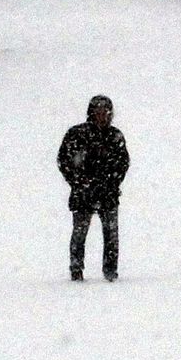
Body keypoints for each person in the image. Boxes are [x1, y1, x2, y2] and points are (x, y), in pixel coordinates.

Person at [56, 94, 130, 282]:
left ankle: (110, 271)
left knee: (111, 234)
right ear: (91, 113)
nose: (102, 115)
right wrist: (78, 182)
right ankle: (76, 269)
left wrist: (111, 183)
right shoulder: (77, 134)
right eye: (98, 111)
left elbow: (123, 163)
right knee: (79, 233)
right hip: (83, 194)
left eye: (105, 111)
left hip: (108, 194)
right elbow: (64, 160)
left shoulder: (115, 136)